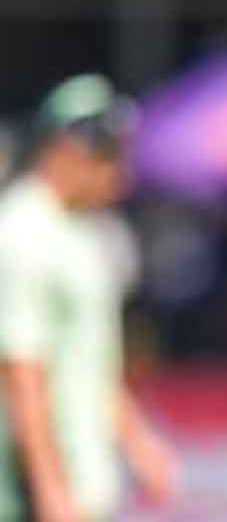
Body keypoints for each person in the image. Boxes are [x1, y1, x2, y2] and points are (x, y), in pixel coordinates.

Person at [0, 74, 178, 522]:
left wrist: (137, 441)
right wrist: (49, 487)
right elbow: (21, 371)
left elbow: (89, 362)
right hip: (33, 497)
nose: (120, 176)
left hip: (81, 488)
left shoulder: (81, 232)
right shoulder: (22, 231)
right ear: (67, 149)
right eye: (109, 158)